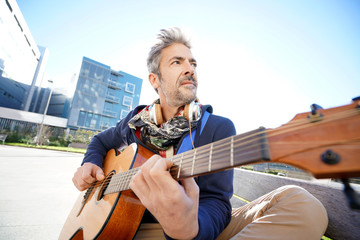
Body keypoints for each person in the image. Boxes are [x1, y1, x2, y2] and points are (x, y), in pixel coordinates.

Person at [72, 27, 328, 240]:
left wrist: (189, 228)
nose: (190, 68)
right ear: (154, 79)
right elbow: (100, 141)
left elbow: (217, 203)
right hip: (126, 228)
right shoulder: (135, 121)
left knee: (303, 205)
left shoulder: (217, 127)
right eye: (177, 62)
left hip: (195, 227)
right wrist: (90, 163)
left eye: (192, 63)